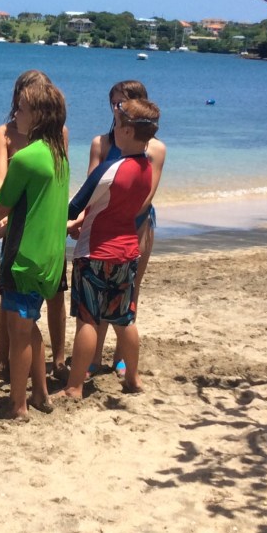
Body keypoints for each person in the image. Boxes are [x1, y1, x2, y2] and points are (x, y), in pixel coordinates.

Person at [0, 81, 69, 420]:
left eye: (23, 109)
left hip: (23, 258)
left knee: (19, 333)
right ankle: (41, 393)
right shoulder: (57, 153)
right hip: (50, 257)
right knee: (28, 326)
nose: (16, 113)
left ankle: (18, 404)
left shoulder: (28, 157)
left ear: (40, 115)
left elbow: (3, 206)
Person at [61, 98, 160, 398]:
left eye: (117, 125)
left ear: (128, 131)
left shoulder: (111, 169)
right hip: (127, 251)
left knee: (88, 319)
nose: (113, 130)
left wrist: (67, 224)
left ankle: (75, 386)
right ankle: (133, 378)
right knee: (124, 319)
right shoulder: (147, 168)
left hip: (96, 253)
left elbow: (75, 206)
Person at [84, 81, 167, 378]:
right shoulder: (101, 143)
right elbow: (90, 189)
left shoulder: (155, 148)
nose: (117, 108)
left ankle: (121, 358)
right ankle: (93, 357)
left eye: (124, 103)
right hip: (101, 224)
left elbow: (147, 195)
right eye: (114, 102)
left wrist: (122, 222)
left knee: (128, 290)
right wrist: (82, 221)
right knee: (97, 293)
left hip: (138, 224)